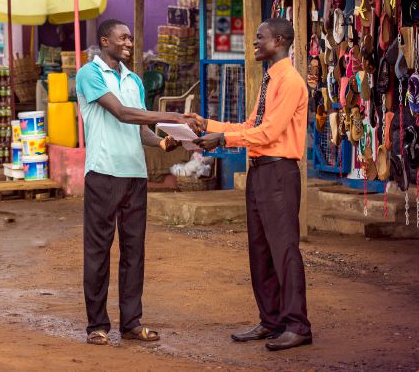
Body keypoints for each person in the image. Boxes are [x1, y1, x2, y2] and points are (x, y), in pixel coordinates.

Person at [76, 19, 203, 346]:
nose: (129, 43)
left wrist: (164, 142)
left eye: (130, 38)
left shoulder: (133, 79)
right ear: (105, 41)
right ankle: (97, 326)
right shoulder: (89, 74)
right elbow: (121, 113)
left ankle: (131, 323)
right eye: (123, 38)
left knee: (135, 252)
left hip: (134, 176)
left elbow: (139, 128)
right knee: (98, 252)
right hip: (103, 174)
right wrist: (172, 116)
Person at [193, 17, 311, 351]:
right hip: (260, 171)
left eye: (260, 38)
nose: (254, 43)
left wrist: (222, 138)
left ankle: (298, 325)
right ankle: (271, 321)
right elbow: (252, 125)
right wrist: (208, 125)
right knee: (260, 250)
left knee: (284, 250)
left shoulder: (289, 81)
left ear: (280, 40)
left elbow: (269, 133)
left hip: (278, 171)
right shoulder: (270, 80)